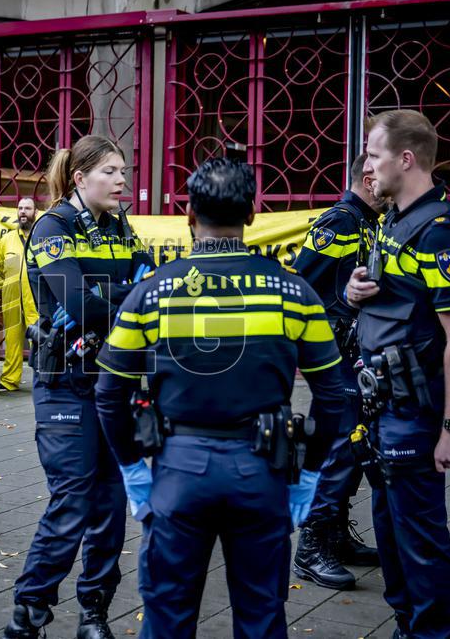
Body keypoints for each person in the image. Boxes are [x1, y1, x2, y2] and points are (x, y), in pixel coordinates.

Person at [93, 157, 345, 639]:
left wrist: (132, 472)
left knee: (166, 617)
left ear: (189, 215)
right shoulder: (292, 293)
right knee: (262, 616)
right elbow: (333, 394)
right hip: (263, 472)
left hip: (177, 473)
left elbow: (109, 393)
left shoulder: (152, 293)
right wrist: (309, 476)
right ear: (251, 215)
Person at [3, 135, 152, 639]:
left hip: (116, 381)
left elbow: (145, 286)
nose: (122, 181)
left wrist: (108, 295)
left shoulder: (119, 225)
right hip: (65, 383)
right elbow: (77, 302)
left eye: (124, 171)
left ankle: (95, 613)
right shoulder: (52, 226)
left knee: (110, 506)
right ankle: (29, 615)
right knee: (73, 500)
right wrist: (125, 293)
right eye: (111, 171)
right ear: (79, 178)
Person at [347, 109, 450, 639]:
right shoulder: (392, 220)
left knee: (419, 539)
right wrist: (354, 290)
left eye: (375, 156)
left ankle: (431, 633)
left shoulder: (443, 230)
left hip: (416, 410)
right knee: (392, 533)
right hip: (382, 403)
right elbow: (390, 298)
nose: (368, 168)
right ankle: (407, 627)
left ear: (406, 158)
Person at [292, 154, 384, 590]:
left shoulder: (369, 221)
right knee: (339, 450)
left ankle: (336, 535)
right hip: (338, 355)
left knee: (352, 449)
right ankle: (311, 548)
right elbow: (303, 281)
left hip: (358, 355)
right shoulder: (343, 221)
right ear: (369, 178)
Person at [0, 197, 40, 391]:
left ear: (35, 212)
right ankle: (9, 380)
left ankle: (43, 378)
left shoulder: (41, 237)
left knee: (39, 338)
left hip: (35, 297)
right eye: (20, 208)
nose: (23, 212)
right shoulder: (6, 239)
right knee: (12, 339)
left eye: (27, 208)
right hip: (11, 296)